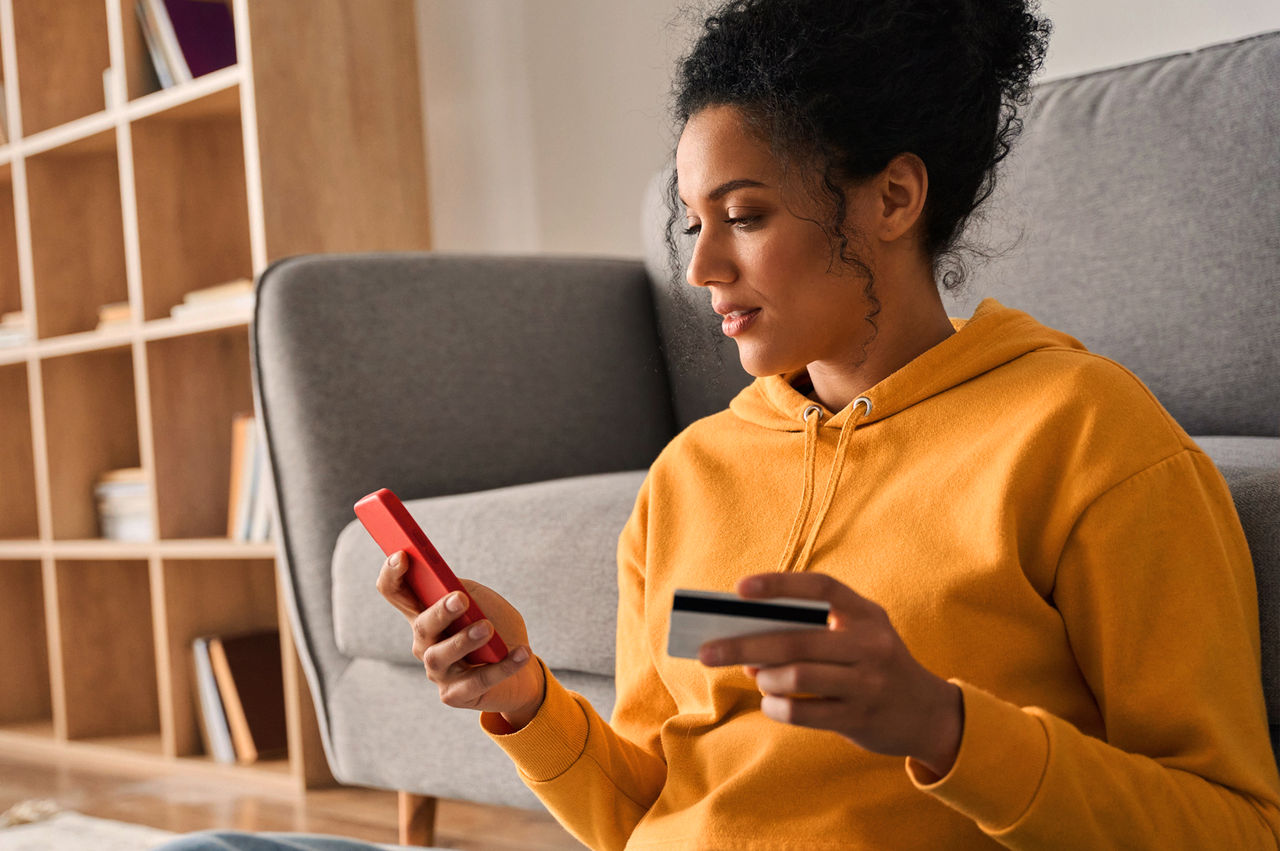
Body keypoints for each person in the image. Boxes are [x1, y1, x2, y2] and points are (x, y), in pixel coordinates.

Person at [160, 0, 1280, 849]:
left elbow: (1231, 821)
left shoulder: (1087, 439)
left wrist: (944, 726)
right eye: (691, 221)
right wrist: (522, 698)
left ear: (892, 199)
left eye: (742, 217)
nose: (700, 268)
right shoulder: (695, 471)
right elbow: (646, 799)